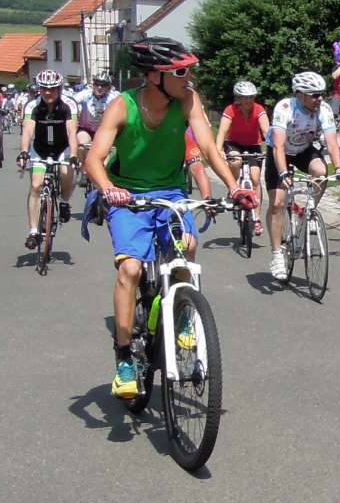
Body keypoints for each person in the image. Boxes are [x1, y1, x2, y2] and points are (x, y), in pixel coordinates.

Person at [85, 39, 243, 399]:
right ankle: (125, 359)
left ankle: (184, 314)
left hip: (170, 193)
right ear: (155, 76)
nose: (189, 79)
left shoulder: (188, 99)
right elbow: (93, 159)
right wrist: (109, 188)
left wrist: (234, 188)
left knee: (187, 245)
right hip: (128, 195)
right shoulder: (122, 106)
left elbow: (208, 148)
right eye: (181, 72)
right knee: (130, 270)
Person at [265, 70, 340, 283]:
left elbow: (332, 142)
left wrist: (339, 169)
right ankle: (277, 254)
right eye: (314, 95)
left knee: (321, 172)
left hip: (303, 150)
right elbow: (278, 146)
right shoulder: (285, 108)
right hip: (280, 152)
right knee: (277, 203)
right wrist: (283, 172)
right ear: (300, 94)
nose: (320, 99)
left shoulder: (324, 109)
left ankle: (308, 212)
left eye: (321, 94)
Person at [18, 68, 78, 251]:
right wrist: (24, 151)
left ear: (59, 89)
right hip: (40, 150)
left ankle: (65, 202)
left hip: (62, 148)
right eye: (44, 88)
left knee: (67, 173)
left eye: (52, 89)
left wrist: (74, 154)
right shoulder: (32, 106)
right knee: (36, 186)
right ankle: (33, 231)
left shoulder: (69, 104)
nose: (48, 92)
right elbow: (28, 130)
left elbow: (72, 131)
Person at [215, 80, 270, 236]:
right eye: (244, 97)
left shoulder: (259, 109)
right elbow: (222, 132)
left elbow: (266, 131)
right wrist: (218, 150)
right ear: (237, 98)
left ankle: (257, 218)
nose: (248, 100)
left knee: (255, 177)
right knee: (236, 161)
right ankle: (233, 187)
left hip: (253, 145)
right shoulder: (230, 110)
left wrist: (273, 147)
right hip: (234, 144)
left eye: (251, 97)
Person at [73, 71, 114, 163]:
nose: (99, 87)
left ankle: (102, 168)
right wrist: (74, 116)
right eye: (96, 84)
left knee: (105, 156)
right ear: (93, 85)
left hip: (102, 131)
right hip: (85, 129)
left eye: (103, 85)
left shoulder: (113, 97)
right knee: (82, 144)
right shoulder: (85, 94)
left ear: (108, 87)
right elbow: (71, 103)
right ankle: (83, 166)